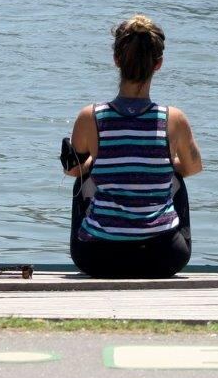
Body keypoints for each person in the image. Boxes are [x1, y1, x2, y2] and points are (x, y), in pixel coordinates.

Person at [62, 14, 203, 278]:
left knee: (83, 177)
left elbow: (73, 171)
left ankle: (101, 231)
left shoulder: (89, 117)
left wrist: (97, 160)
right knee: (176, 177)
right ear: (158, 64)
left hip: (97, 259)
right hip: (164, 259)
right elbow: (193, 167)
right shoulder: (173, 119)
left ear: (117, 60)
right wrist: (161, 162)